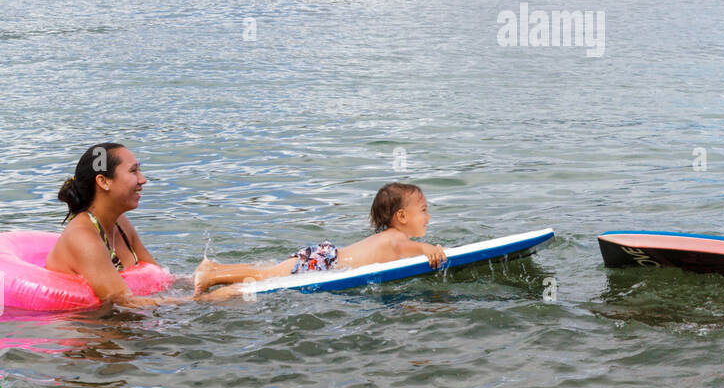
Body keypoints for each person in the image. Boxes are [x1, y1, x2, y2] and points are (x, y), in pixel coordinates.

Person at [193, 182, 446, 297]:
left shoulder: (390, 237)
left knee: (266, 272)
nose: (428, 216)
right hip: (326, 263)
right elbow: (418, 249)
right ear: (401, 216)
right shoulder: (397, 240)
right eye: (423, 210)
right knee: (265, 277)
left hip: (324, 255)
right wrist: (432, 249)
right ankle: (211, 278)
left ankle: (215, 269)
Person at [45, 143, 165, 305]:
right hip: (83, 327)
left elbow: (161, 277)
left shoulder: (120, 223)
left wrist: (201, 279)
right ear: (103, 181)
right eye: (133, 171)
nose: (143, 180)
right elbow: (124, 302)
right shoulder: (82, 237)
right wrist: (203, 300)